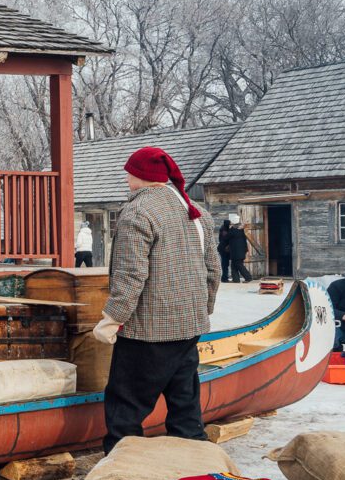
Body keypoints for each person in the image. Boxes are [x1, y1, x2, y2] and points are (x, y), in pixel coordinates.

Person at [93, 146, 218, 455]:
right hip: (189, 326)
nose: (125, 178)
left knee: (126, 407)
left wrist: (112, 319)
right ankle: (195, 464)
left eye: (128, 172)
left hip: (149, 330)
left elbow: (131, 275)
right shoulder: (194, 211)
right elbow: (213, 270)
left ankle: (121, 473)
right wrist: (203, 309)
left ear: (139, 176)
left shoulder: (138, 211)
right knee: (185, 407)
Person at [224, 214, 251, 283]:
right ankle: (236, 279)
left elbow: (226, 238)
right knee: (233, 265)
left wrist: (228, 228)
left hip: (237, 252)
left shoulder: (233, 231)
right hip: (240, 251)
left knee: (239, 265)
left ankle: (248, 277)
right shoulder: (240, 231)